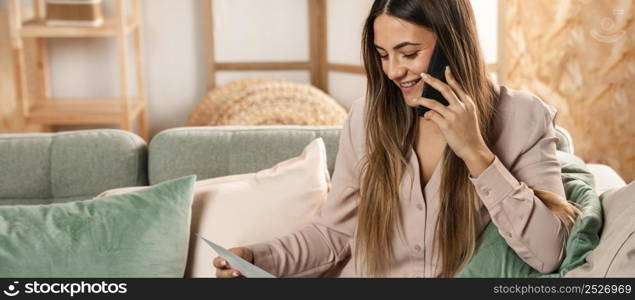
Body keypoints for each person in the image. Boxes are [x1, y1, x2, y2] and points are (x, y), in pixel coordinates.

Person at [214, 0, 579, 278]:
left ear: (453, 43)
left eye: (409, 53)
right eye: (383, 55)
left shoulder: (522, 117)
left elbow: (550, 253)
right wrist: (256, 258)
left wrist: (476, 153)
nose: (392, 71)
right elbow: (334, 233)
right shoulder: (366, 118)